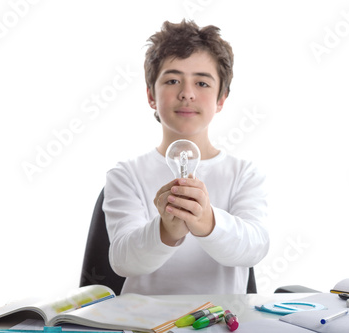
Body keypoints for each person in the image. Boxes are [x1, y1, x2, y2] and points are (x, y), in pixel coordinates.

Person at [102, 20, 269, 295]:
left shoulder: (244, 174)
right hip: (144, 324)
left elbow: (255, 247)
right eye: (172, 80)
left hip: (218, 321)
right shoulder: (126, 175)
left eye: (202, 82)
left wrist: (207, 221)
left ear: (221, 99)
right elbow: (122, 260)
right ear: (151, 95)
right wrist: (166, 230)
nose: (187, 93)